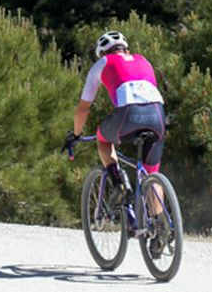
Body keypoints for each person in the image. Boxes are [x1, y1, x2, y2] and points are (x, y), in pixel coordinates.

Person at [64, 31, 166, 227]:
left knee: (103, 138)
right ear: (126, 48)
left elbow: (83, 108)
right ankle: (160, 227)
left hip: (128, 114)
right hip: (157, 116)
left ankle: (118, 182)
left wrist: (75, 134)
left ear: (102, 53)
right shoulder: (143, 60)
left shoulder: (102, 63)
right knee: (151, 174)